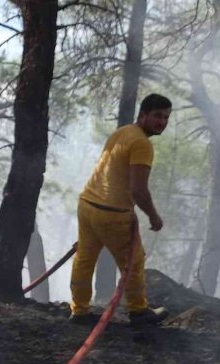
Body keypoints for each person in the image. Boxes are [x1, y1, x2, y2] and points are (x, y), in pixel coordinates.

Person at [69, 94, 172, 326]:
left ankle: (79, 310)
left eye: (166, 117)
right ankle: (138, 311)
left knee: (84, 259)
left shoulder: (122, 132)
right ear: (143, 114)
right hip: (112, 213)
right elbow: (139, 190)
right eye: (157, 116)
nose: (162, 122)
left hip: (88, 204)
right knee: (133, 261)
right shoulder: (142, 144)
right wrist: (154, 216)